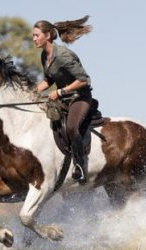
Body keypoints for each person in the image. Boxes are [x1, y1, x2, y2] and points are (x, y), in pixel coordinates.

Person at [33, 15, 93, 184]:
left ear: (48, 35)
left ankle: (80, 167)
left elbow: (83, 80)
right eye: (33, 35)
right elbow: (48, 79)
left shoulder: (64, 55)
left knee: (73, 128)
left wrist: (59, 92)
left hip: (80, 97)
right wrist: (33, 91)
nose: (34, 39)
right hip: (64, 99)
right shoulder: (45, 56)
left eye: (37, 35)